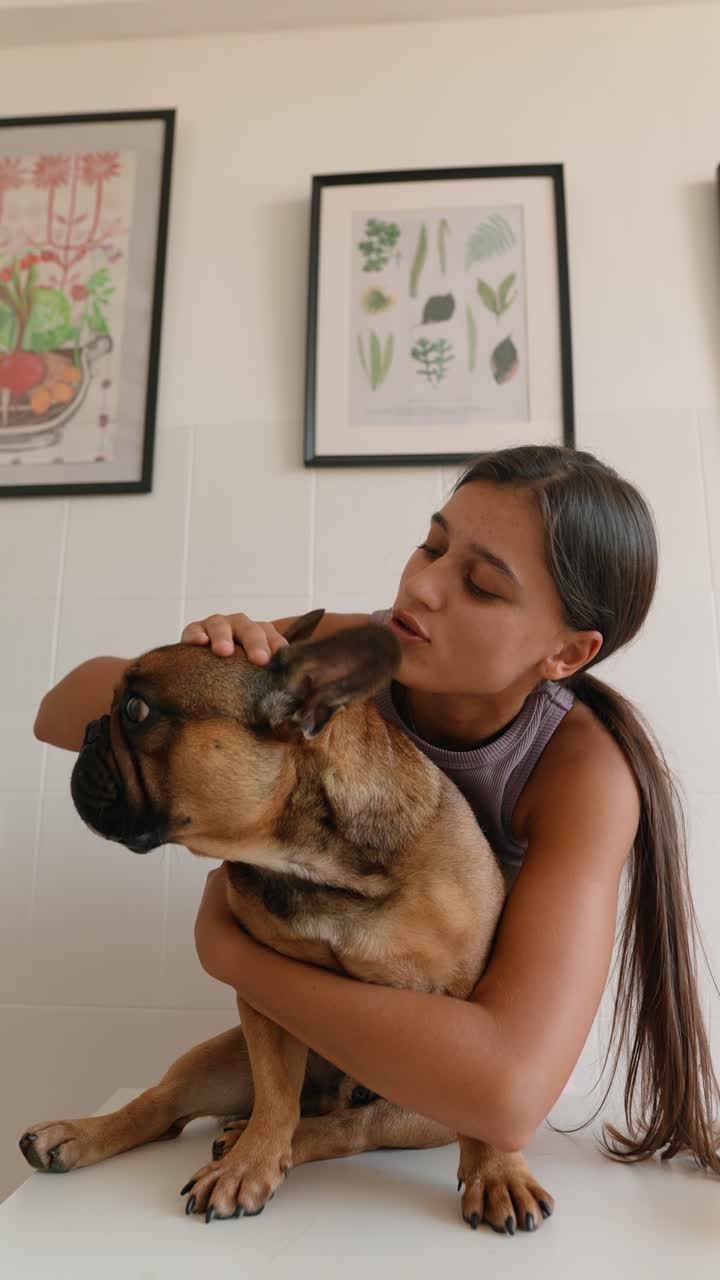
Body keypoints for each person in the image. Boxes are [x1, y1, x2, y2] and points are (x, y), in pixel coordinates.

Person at [34, 444, 720, 1174]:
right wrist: (190, 660)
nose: (422, 587)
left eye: (481, 585)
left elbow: (511, 1095)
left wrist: (231, 955)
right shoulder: (344, 655)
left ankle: (322, 1133)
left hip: (444, 1063)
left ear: (567, 653)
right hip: (317, 1014)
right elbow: (56, 711)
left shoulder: (583, 774)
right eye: (430, 545)